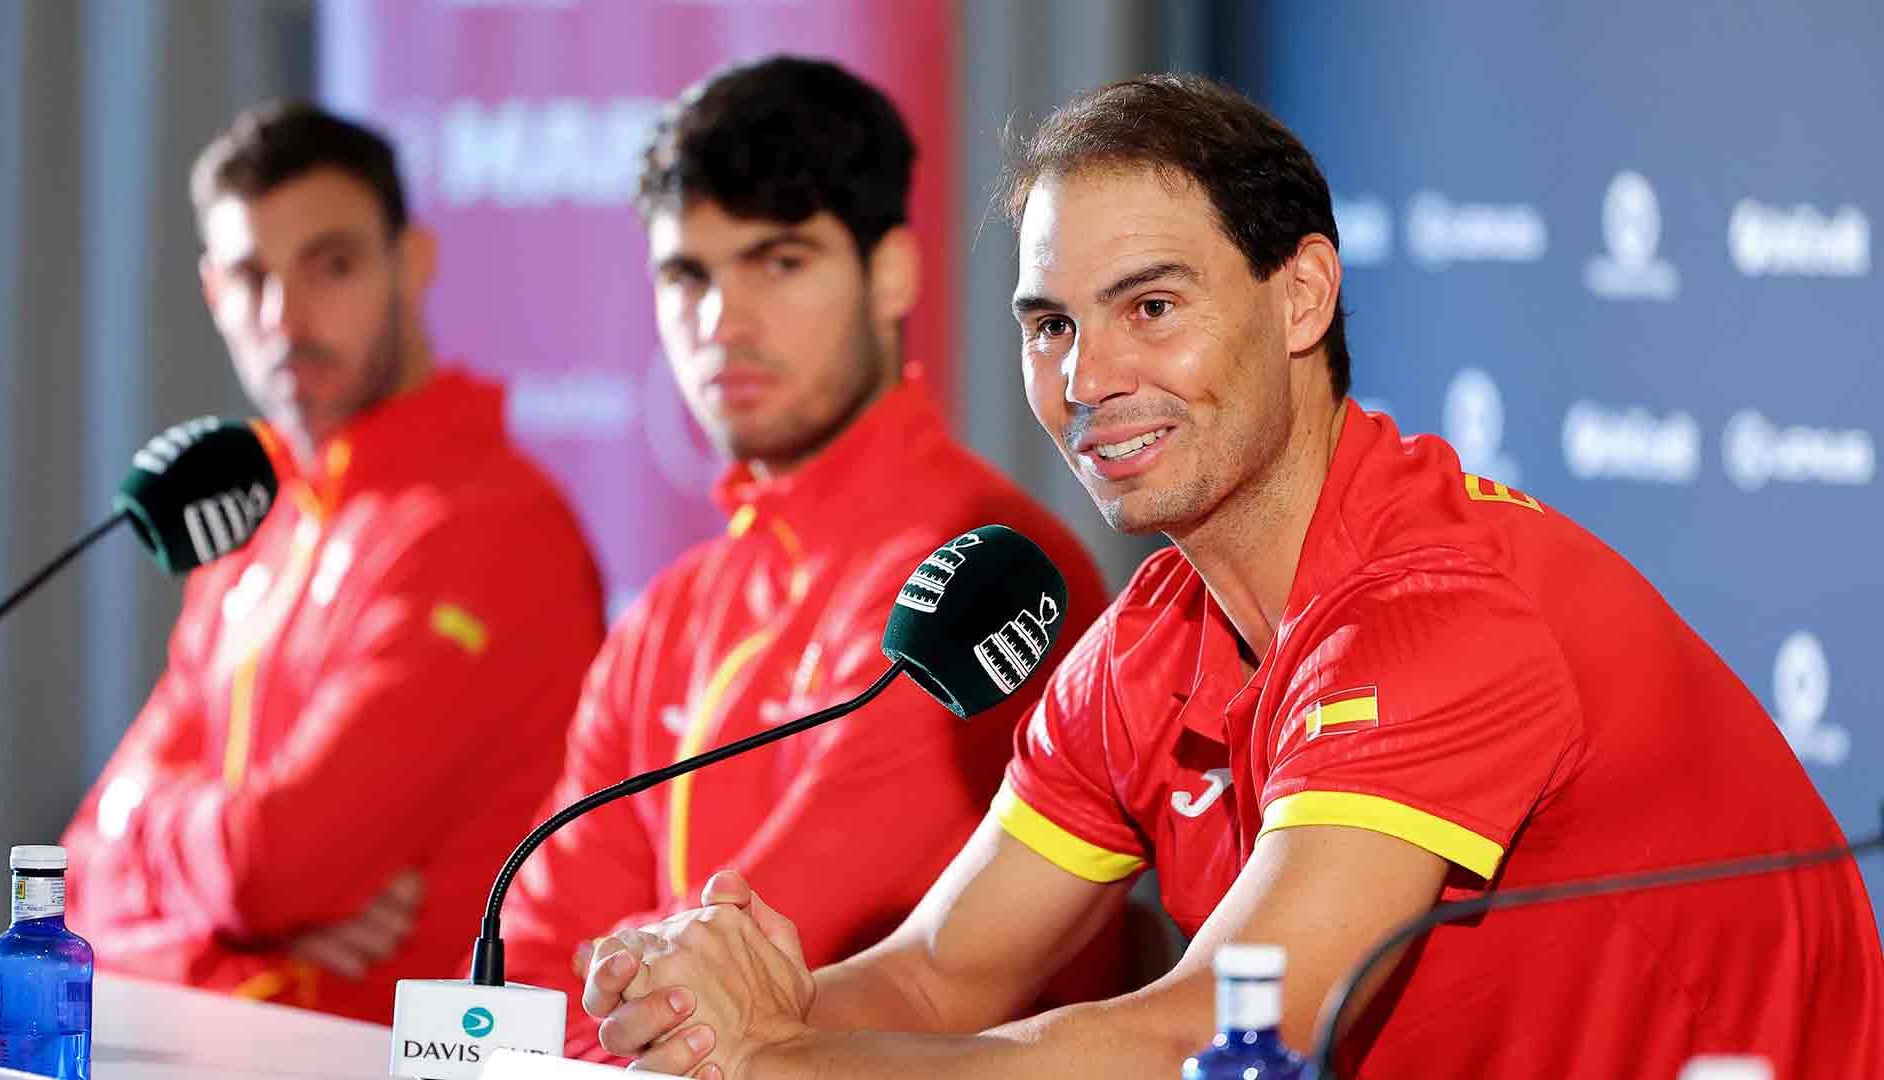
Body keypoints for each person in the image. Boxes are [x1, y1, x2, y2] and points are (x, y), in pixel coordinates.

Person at [578, 75, 1884, 1079]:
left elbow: (1209, 1038)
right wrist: (722, 1009)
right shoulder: (1150, 644)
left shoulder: (1440, 607)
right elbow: (933, 980)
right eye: (1051, 326)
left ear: (1302, 296)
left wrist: (787, 1056)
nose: (1086, 381)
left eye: (1151, 309)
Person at [493, 56, 1114, 1062]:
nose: (721, 323)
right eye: (687, 276)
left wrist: (600, 1025)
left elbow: (770, 976)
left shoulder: (984, 578)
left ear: (894, 274)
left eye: (779, 262)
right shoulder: (673, 612)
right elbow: (520, 966)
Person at [58, 102, 605, 1024]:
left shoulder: (491, 528)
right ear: (212, 293)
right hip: (220, 1036)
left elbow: (274, 866)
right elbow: (80, 869)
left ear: (413, 262)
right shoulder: (255, 523)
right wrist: (227, 920)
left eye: (332, 266)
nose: (286, 317)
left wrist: (187, 856)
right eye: (250, 277)